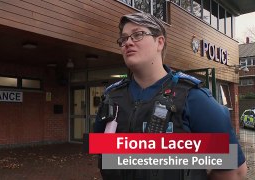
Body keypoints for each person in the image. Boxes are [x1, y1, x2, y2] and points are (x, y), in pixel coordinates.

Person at [94, 12, 247, 180]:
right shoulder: (111, 98)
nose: (128, 42)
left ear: (159, 42)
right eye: (123, 39)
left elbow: (234, 172)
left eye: (137, 35)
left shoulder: (194, 98)